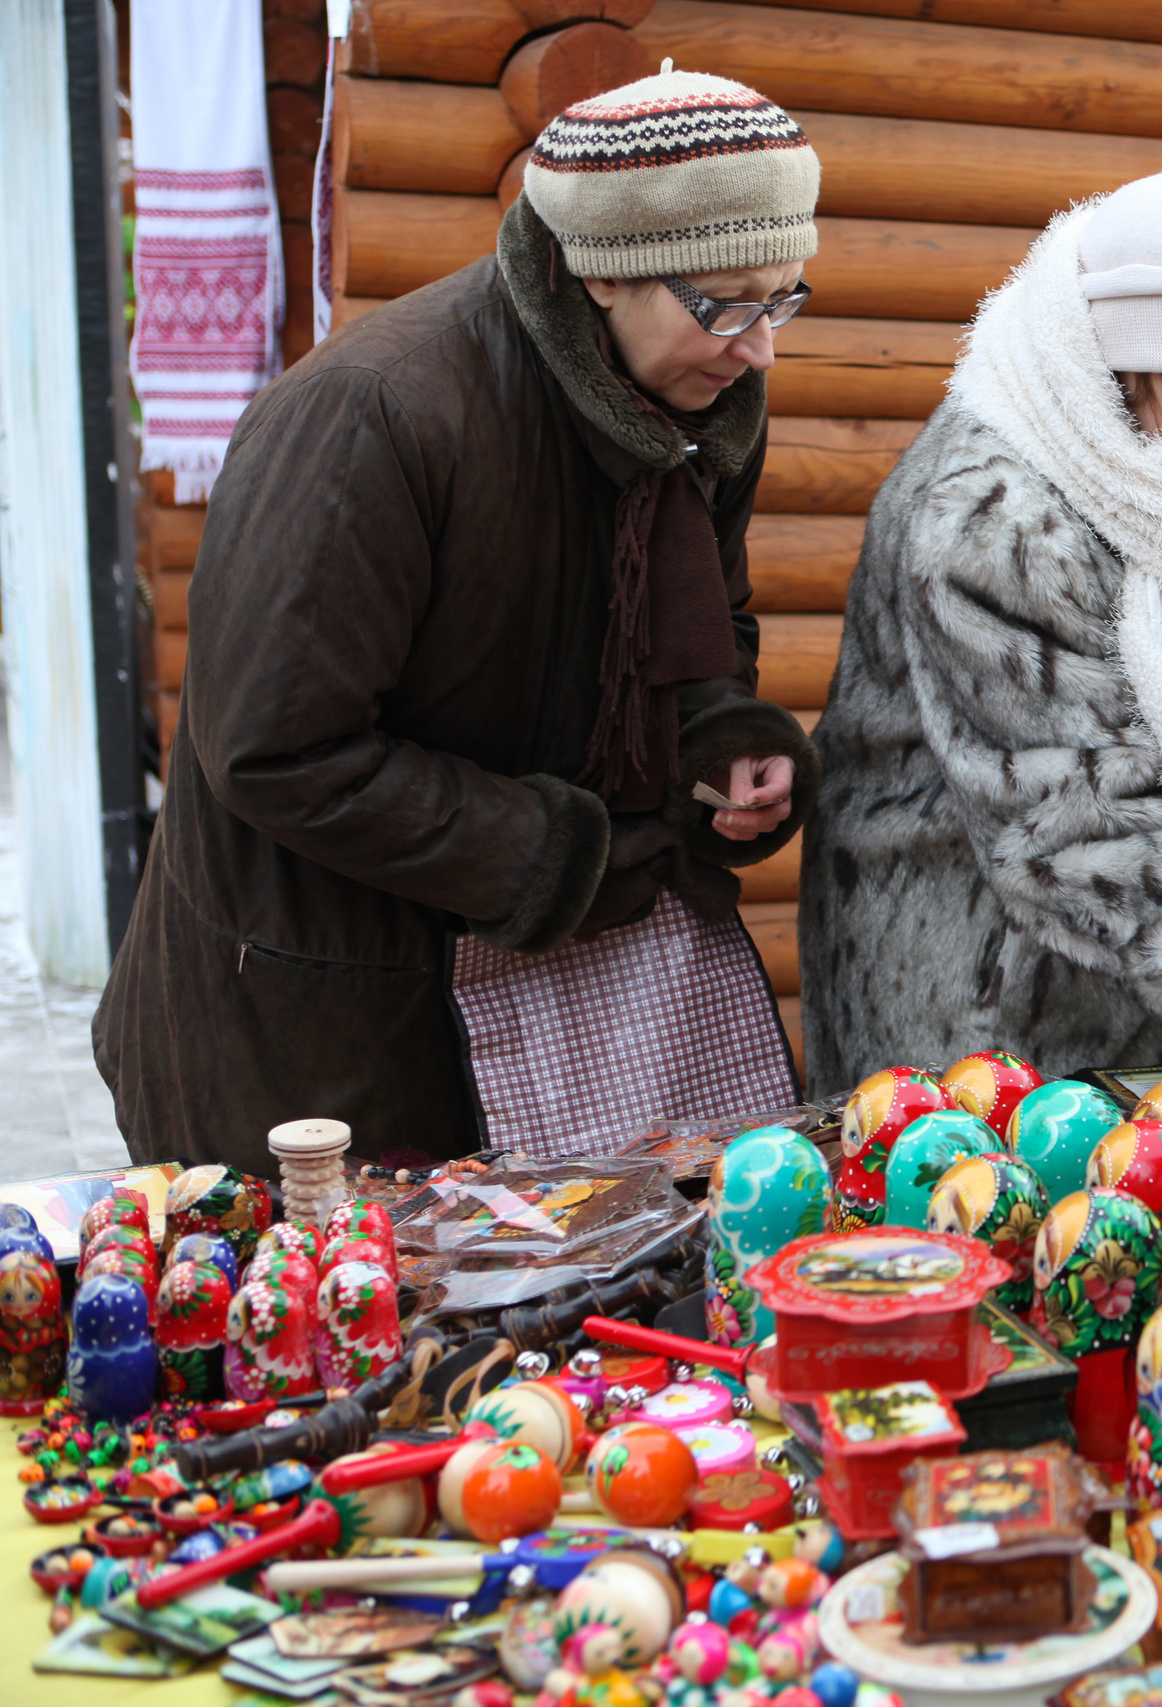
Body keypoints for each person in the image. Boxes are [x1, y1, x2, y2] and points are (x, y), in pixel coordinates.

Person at [96, 70, 822, 1171]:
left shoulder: (697, 400)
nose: (760, 347)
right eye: (725, 303)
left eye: (785, 298)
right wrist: (552, 856)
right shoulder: (371, 417)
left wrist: (720, 744)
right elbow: (276, 748)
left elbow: (700, 633)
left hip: (546, 1007)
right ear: (598, 272)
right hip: (321, 1025)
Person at [798, 169, 1162, 1089]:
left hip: (1122, 966)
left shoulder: (1143, 448)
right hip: (982, 990)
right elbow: (1073, 809)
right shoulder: (990, 525)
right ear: (1113, 365)